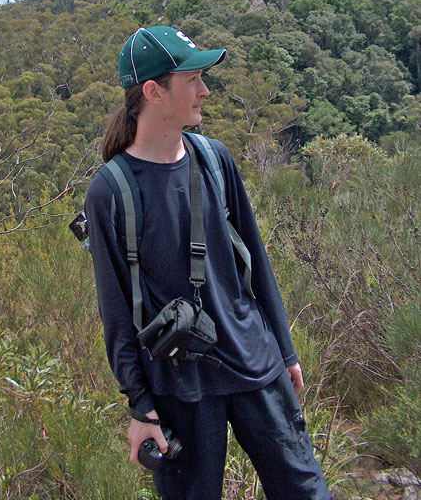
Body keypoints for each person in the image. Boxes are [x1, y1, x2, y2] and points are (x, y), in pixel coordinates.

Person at [85, 25, 332, 500]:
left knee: (305, 490)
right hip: (179, 385)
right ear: (154, 91)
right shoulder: (111, 192)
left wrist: (285, 352)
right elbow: (115, 314)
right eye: (193, 79)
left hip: (253, 361)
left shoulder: (215, 159)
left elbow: (256, 263)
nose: (205, 90)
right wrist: (140, 408)